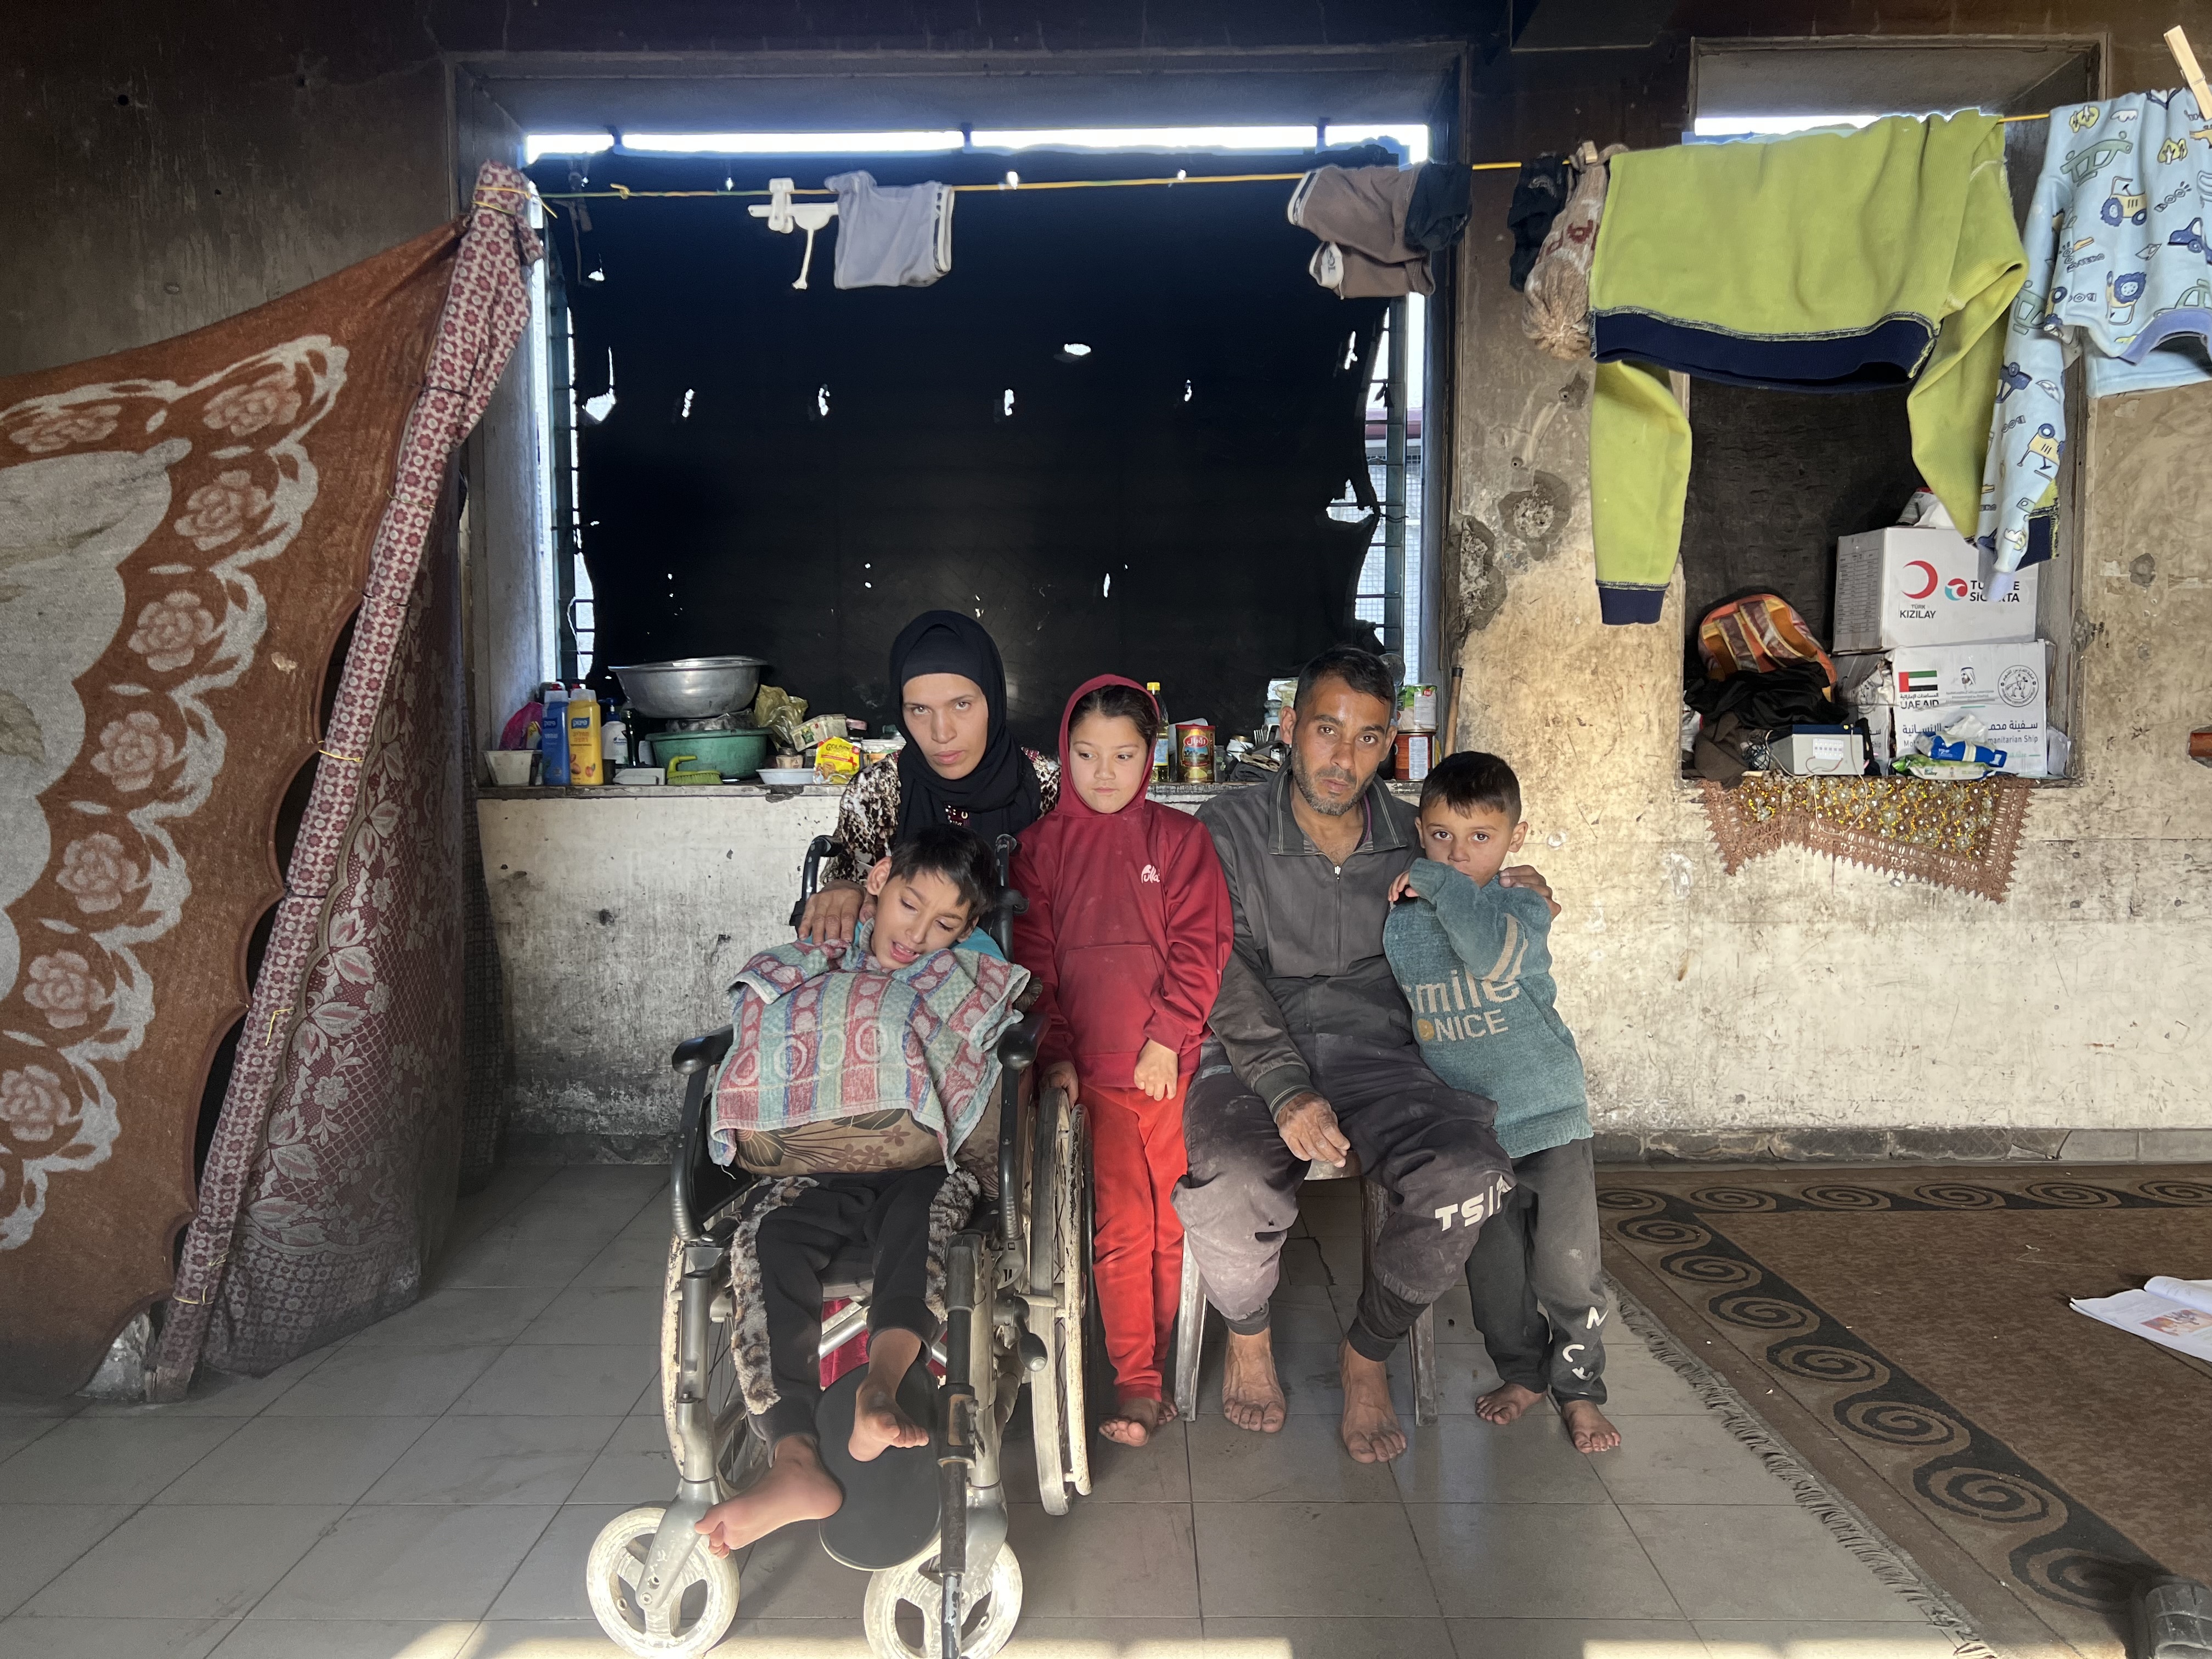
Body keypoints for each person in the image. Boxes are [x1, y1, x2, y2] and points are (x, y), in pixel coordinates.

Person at [1175, 646, 1554, 1464]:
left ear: (1390, 746)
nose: (1343, 759)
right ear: (1289, 728)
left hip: (1383, 1054)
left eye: (1369, 738)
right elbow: (1217, 964)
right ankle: (1246, 1333)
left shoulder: (1416, 838)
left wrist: (1518, 896)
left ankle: (1367, 1352)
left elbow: (1477, 895)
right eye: (1325, 730)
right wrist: (1284, 1089)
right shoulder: (1227, 828)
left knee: (1470, 1176)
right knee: (1233, 1179)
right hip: (1249, 1050)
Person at [695, 827, 1021, 1556]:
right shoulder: (824, 951)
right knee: (769, 1239)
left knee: (923, 1219)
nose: (919, 934)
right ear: (878, 880)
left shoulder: (966, 969)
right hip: (814, 1163)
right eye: (910, 905)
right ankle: (795, 1457)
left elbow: (989, 1020)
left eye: (946, 924)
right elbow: (767, 1012)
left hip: (922, 1159)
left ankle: (880, 1385)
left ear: (968, 931)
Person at [1012, 676, 1233, 1448]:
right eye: (1085, 754)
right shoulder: (1040, 851)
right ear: (1063, 752)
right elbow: (1033, 964)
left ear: (1152, 757)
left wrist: (1167, 1037)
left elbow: (1201, 948)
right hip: (1090, 1083)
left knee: (1178, 1219)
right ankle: (1136, 1381)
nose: (1103, 773)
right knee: (1121, 1227)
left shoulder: (1180, 842)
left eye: (1123, 755)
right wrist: (1060, 1056)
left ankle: (1166, 1363)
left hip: (1168, 1071)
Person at [1384, 751, 1619, 1454]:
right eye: (1439, 836)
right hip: (1474, 1133)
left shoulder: (1519, 904)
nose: (1457, 854)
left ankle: (1580, 1390)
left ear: (1516, 837)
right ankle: (1523, 1373)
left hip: (1547, 1119)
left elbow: (1489, 958)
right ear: (1418, 830)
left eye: (1480, 836)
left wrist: (1434, 879)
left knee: (1568, 1269)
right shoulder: (1403, 917)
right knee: (1496, 1278)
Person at [800, 610, 1058, 948]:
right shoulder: (878, 790)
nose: (941, 733)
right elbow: (853, 881)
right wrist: (844, 891)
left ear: (992, 702)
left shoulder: (1044, 785)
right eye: (919, 710)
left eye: (961, 705)